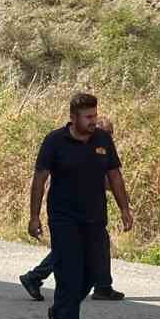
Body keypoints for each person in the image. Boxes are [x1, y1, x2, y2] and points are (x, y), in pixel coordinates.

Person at [28, 93, 133, 319]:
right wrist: (34, 216)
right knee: (69, 277)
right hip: (64, 220)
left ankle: (60, 312)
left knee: (96, 274)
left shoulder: (102, 140)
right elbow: (40, 180)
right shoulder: (54, 141)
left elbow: (115, 176)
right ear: (73, 117)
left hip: (95, 219)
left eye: (95, 116)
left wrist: (124, 209)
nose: (93, 121)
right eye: (88, 117)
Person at [19, 116, 125, 302]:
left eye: (111, 134)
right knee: (68, 250)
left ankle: (102, 286)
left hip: (91, 213)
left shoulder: (100, 148)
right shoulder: (79, 148)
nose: (109, 137)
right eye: (107, 133)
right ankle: (35, 277)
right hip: (70, 212)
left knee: (96, 245)